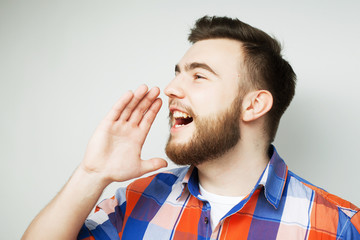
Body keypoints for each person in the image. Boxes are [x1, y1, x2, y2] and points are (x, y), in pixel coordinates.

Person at [22, 16, 360, 240]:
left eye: (198, 75)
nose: (171, 88)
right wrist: (92, 173)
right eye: (178, 72)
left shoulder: (340, 225)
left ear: (254, 105)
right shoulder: (137, 198)